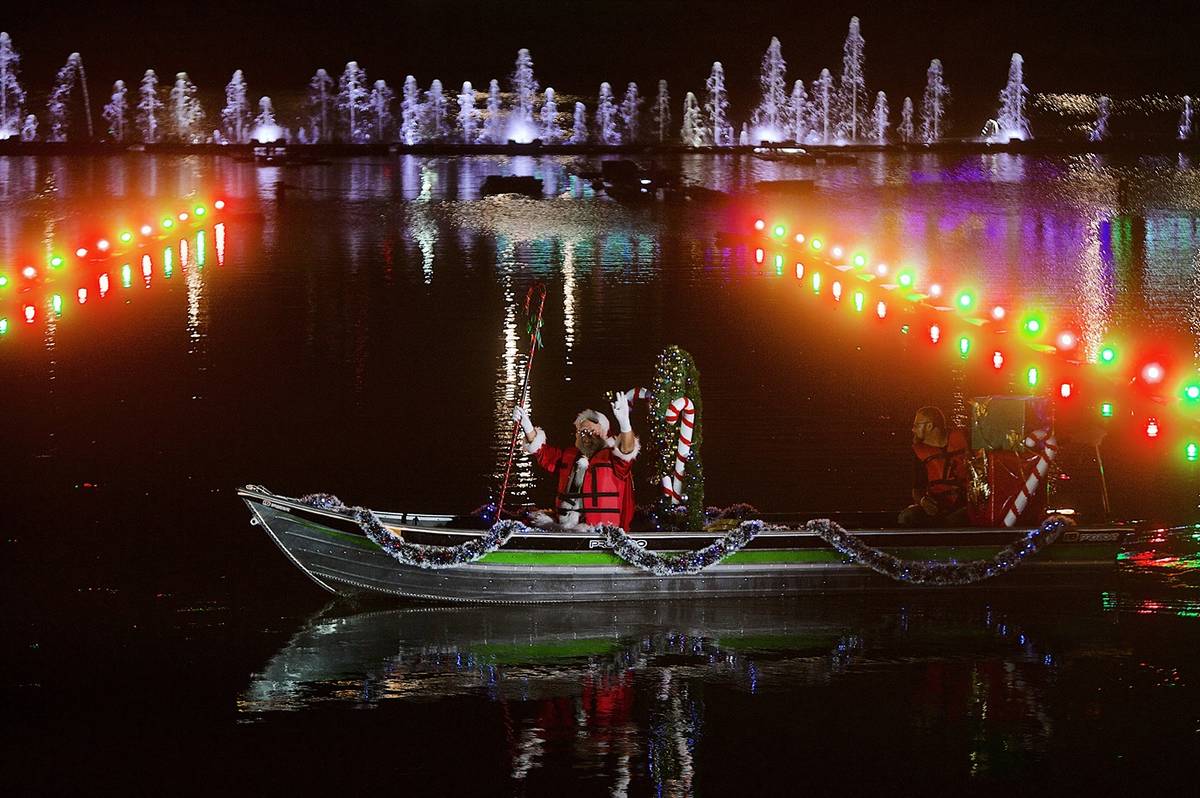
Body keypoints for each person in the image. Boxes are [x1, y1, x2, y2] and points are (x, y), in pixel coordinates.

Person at [513, 392, 640, 529]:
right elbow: (543, 452)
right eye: (581, 432)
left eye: (591, 431)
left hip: (603, 531)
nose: (585, 437)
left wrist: (625, 424)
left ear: (604, 433)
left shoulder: (614, 458)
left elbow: (627, 450)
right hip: (567, 527)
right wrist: (527, 427)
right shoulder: (569, 455)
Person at [898, 406, 970, 527]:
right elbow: (917, 488)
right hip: (938, 505)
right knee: (907, 516)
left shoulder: (964, 438)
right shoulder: (919, 453)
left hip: (966, 504)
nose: (912, 429)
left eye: (916, 425)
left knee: (954, 520)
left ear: (929, 426)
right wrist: (923, 502)